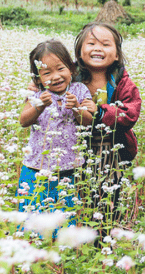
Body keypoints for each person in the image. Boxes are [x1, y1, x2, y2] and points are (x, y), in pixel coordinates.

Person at [74, 22, 142, 234]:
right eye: (91, 43)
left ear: (116, 55)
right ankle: (79, 237)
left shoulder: (122, 81)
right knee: (79, 193)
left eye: (105, 44)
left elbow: (131, 113)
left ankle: (103, 237)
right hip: (76, 149)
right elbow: (52, 84)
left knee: (108, 196)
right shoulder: (71, 77)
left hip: (111, 150)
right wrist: (38, 87)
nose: (97, 48)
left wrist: (101, 112)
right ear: (79, 52)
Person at [17, 40, 92, 220]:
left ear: (71, 69)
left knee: (65, 218)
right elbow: (23, 121)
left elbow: (87, 122)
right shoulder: (36, 94)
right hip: (36, 167)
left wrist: (76, 108)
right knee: (32, 216)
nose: (56, 76)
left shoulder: (79, 90)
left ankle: (62, 246)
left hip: (69, 169)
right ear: (38, 78)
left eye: (60, 68)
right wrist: (40, 106)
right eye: (47, 73)